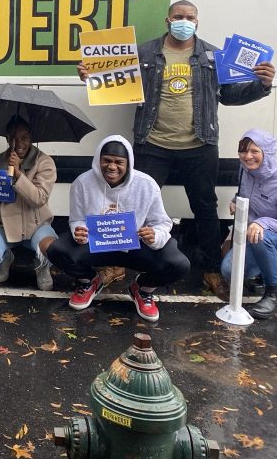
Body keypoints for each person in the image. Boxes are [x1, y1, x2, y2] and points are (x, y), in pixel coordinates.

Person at [80, 0, 274, 300]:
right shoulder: (145, 53)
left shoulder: (212, 56)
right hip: (153, 144)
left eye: (190, 17)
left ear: (198, 21)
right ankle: (117, 265)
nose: (185, 21)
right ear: (167, 20)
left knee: (205, 209)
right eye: (178, 17)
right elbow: (113, 82)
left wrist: (261, 85)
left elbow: (230, 95)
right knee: (131, 207)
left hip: (199, 146)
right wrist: (92, 76)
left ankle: (210, 270)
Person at [46, 135, 190, 323]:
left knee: (179, 264)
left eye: (118, 162)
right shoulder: (82, 183)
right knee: (56, 250)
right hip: (96, 246)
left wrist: (154, 235)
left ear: (128, 163)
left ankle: (143, 289)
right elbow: (76, 219)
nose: (112, 167)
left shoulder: (146, 185)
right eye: (106, 160)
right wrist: (78, 231)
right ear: (98, 160)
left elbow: (163, 222)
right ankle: (88, 281)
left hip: (136, 247)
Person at [220, 129, 277, 319]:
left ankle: (273, 295)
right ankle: (265, 268)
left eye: (254, 151)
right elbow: (245, 195)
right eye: (243, 151)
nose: (247, 156)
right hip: (257, 237)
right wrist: (236, 200)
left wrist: (262, 223)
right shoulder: (246, 171)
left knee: (262, 236)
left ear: (267, 153)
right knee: (229, 271)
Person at [0, 116, 58, 291]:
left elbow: (39, 199)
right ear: (7, 138)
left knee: (53, 249)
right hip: (3, 225)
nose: (19, 143)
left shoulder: (44, 161)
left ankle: (42, 264)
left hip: (36, 225)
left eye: (24, 138)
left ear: (31, 138)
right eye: (13, 137)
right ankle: (5, 256)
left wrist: (18, 175)